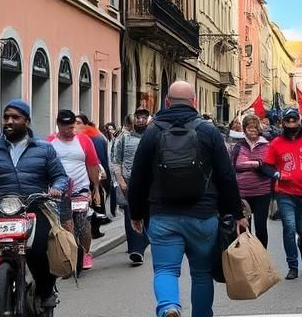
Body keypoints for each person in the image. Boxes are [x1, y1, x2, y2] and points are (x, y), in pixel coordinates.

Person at [128, 81, 246, 317]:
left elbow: (138, 177)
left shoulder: (152, 132)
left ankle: (169, 306)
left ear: (167, 102)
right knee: (202, 274)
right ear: (194, 102)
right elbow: (226, 176)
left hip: (163, 215)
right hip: (203, 216)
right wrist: (236, 213)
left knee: (165, 270)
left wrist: (136, 213)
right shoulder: (209, 131)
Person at [0, 99, 67, 309]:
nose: (8, 121)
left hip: (35, 206)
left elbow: (60, 176)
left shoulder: (45, 149)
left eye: (15, 117)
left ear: (26, 121)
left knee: (39, 250)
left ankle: (46, 291)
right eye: (6, 117)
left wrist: (56, 188)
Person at [263, 108, 302, 280]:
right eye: (288, 121)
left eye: (294, 120)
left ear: (299, 121)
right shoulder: (276, 143)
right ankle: (293, 265)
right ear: (283, 123)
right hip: (284, 193)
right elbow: (266, 166)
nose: (291, 124)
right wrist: (277, 174)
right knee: (289, 228)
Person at [47, 110, 102, 271]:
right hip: (58, 192)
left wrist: (96, 189)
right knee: (64, 225)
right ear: (58, 125)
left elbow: (92, 165)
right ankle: (66, 254)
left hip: (81, 189)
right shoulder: (49, 142)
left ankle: (84, 253)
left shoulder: (84, 140)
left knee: (83, 223)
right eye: (66, 128)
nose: (70, 131)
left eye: (72, 128)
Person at [112, 108, 150, 265]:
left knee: (147, 215)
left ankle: (144, 240)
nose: (140, 120)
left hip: (149, 183)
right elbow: (116, 160)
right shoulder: (124, 138)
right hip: (129, 182)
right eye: (138, 117)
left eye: (144, 117)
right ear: (134, 119)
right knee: (131, 215)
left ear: (148, 119)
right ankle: (136, 249)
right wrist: (120, 181)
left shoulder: (153, 137)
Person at [231, 114, 275, 247]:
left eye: (255, 128)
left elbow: (269, 165)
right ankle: (247, 257)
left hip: (262, 192)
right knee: (244, 229)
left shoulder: (267, 145)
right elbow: (237, 165)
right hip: (242, 193)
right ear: (244, 129)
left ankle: (262, 256)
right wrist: (257, 163)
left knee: (261, 227)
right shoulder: (238, 146)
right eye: (249, 128)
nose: (253, 130)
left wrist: (252, 163)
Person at [77, 113, 115, 232]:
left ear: (85, 124)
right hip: (81, 177)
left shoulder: (95, 137)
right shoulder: (76, 137)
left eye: (78, 123)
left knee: (96, 200)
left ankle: (96, 226)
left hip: (93, 175)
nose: (75, 126)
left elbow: (100, 160)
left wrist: (100, 177)